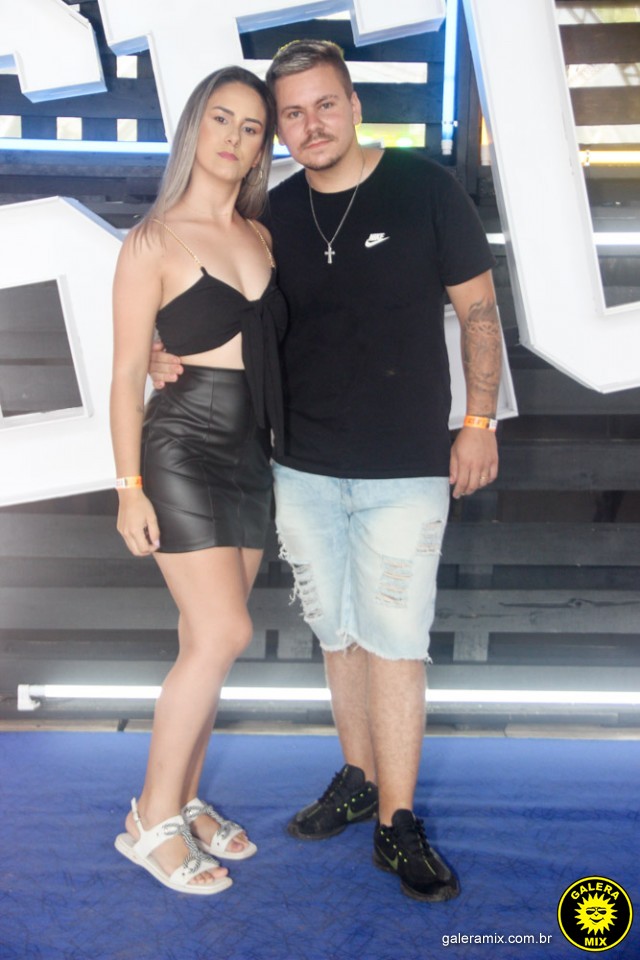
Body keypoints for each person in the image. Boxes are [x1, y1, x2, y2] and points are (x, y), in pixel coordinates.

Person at [150, 40, 501, 903]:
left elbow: (480, 312)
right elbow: (225, 308)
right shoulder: (270, 215)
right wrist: (165, 350)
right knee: (338, 634)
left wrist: (478, 420)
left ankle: (397, 822)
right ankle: (358, 778)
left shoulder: (426, 189)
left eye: (325, 105)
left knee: (396, 640)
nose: (311, 125)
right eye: (293, 114)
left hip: (406, 466)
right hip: (299, 465)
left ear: (354, 104)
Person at [110, 65, 286, 895]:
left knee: (201, 644)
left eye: (251, 127)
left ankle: (182, 798)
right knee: (222, 634)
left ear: (260, 149)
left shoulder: (263, 238)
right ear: (194, 128)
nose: (234, 137)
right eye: (221, 118)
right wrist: (128, 486)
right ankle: (150, 821)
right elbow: (124, 374)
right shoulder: (152, 241)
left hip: (252, 453)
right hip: (180, 445)